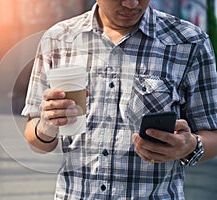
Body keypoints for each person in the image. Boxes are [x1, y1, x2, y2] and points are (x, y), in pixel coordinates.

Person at [21, 0, 217, 199]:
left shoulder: (190, 42)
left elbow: (212, 133)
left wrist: (190, 146)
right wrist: (46, 126)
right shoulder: (58, 39)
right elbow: (34, 133)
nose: (131, 3)